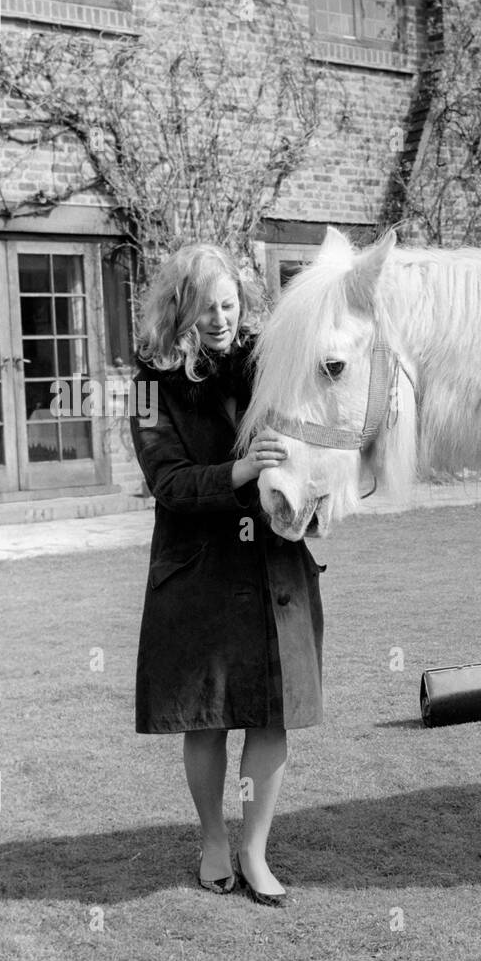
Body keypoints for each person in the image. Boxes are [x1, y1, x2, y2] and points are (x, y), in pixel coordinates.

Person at [130, 244, 324, 908]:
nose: (219, 318)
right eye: (206, 305)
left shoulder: (268, 363)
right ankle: (214, 838)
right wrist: (238, 473)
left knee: (271, 718)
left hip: (274, 567)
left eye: (229, 303)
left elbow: (313, 435)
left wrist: (312, 491)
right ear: (180, 306)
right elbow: (168, 482)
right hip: (200, 576)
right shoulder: (149, 385)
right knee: (208, 719)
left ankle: (255, 850)